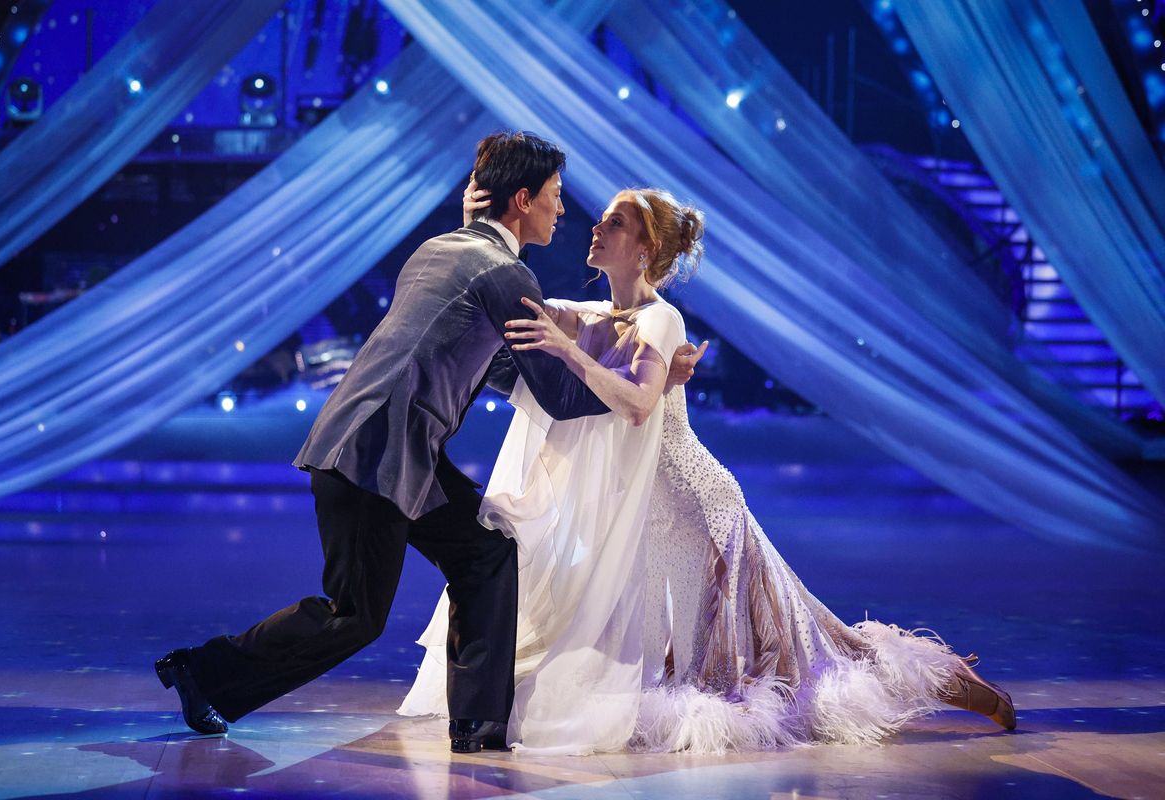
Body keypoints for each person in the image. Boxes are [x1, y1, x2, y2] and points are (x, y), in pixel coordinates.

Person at [398, 184, 1016, 754]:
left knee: (802, 644)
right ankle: (950, 684)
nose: (594, 228)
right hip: (654, 516)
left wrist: (565, 351)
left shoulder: (661, 320)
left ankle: (964, 689)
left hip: (702, 506)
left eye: (614, 223)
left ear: (644, 252)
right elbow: (509, 294)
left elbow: (638, 405)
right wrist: (476, 225)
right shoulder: (589, 314)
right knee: (741, 648)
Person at [153, 131, 704, 754]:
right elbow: (560, 397)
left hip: (399, 447)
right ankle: (203, 672)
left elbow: (484, 360)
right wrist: (649, 383)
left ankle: (479, 723)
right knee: (352, 615)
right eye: (553, 196)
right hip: (376, 450)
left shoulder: (443, 248)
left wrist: (602, 357)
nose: (562, 209)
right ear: (522, 200)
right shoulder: (503, 272)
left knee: (485, 552)